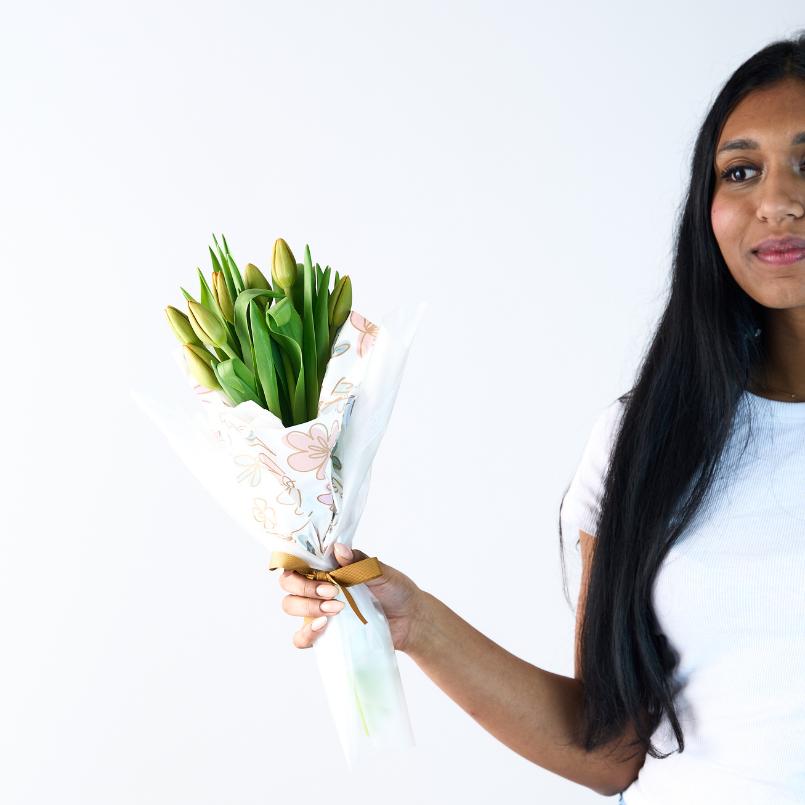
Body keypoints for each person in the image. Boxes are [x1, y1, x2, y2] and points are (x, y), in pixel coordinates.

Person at [277, 31, 805, 803]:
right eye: (740, 171)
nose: (775, 200)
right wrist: (410, 617)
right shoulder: (645, 441)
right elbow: (608, 748)